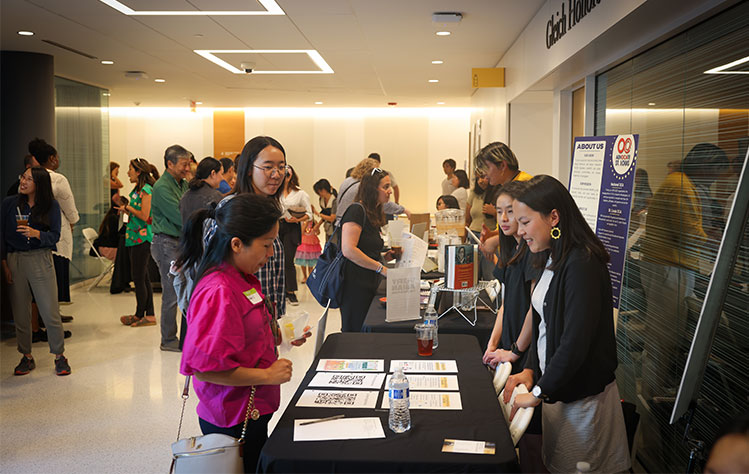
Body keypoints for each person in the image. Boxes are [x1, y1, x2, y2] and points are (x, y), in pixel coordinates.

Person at [505, 175, 630, 473]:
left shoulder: (582, 264)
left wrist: (537, 393)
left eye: (525, 222)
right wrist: (531, 370)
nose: (520, 232)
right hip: (557, 392)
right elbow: (543, 323)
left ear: (554, 217)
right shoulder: (552, 256)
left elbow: (574, 343)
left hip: (583, 401)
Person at [178, 193, 310, 474]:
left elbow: (244, 333)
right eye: (266, 245)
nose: (272, 253)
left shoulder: (242, 279)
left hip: (253, 409)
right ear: (237, 244)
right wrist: (267, 375)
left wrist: (282, 336)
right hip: (233, 416)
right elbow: (205, 369)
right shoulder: (219, 292)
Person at [640, 144, 713, 397]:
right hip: (669, 267)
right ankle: (654, 390)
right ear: (705, 166)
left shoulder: (677, 181)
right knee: (664, 335)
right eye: (715, 170)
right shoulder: (681, 186)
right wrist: (717, 241)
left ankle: (654, 386)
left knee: (660, 333)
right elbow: (689, 233)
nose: (717, 178)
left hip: (663, 264)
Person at [1, 167, 71, 376]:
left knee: (50, 311)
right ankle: (26, 356)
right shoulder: (9, 204)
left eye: (29, 179)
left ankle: (59, 356)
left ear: (39, 184)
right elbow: (2, 235)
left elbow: (55, 236)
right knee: (21, 314)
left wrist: (36, 233)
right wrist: (4, 264)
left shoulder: (51, 206)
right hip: (15, 260)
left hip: (41, 258)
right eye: (23, 176)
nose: (23, 181)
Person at [229, 136, 288, 320]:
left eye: (281, 166)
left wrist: (275, 324)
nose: (276, 174)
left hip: (264, 320)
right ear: (248, 169)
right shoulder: (232, 211)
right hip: (239, 319)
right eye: (268, 167)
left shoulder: (271, 210)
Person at [339, 168, 399, 332]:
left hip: (368, 282)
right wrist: (381, 268)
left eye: (390, 187)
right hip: (355, 285)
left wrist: (385, 257)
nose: (390, 191)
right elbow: (349, 250)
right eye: (385, 187)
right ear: (372, 189)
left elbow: (365, 250)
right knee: (355, 332)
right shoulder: (356, 210)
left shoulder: (373, 212)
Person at [29, 138, 80, 311]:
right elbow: (70, 210)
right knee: (54, 282)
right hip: (57, 236)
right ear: (52, 158)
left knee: (38, 282)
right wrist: (73, 223)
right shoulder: (58, 179)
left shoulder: (29, 176)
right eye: (57, 157)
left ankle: (45, 319)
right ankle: (51, 318)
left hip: (34, 234)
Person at [151, 145, 191, 352]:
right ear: (170, 164)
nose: (188, 168)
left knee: (183, 290)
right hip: (166, 243)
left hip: (179, 242)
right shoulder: (162, 187)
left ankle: (182, 336)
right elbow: (181, 215)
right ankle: (167, 339)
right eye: (184, 164)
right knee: (171, 293)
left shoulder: (181, 183)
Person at [116, 158, 158, 327]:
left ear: (138, 171)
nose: (128, 173)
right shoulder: (137, 189)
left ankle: (139, 314)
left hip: (142, 238)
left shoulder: (147, 190)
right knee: (143, 277)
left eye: (130, 169)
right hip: (134, 237)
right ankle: (150, 315)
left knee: (138, 278)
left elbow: (144, 215)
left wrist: (128, 209)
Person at [336, 159, 407, 226]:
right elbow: (382, 204)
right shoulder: (363, 186)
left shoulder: (347, 181)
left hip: (339, 222)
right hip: (352, 223)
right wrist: (402, 210)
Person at [279, 165, 311, 306]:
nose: (285, 176)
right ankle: (279, 291)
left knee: (288, 260)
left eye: (288, 174)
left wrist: (297, 219)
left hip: (292, 227)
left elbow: (309, 214)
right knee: (276, 261)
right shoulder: (274, 192)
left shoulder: (300, 193)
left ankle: (291, 292)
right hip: (277, 226)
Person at [179, 157, 223, 224]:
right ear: (213, 173)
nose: (222, 178)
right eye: (221, 174)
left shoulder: (185, 196)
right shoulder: (216, 196)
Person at [295, 218, 322, 283]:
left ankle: (310, 276)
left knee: (311, 261)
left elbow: (318, 232)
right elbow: (301, 232)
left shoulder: (314, 221)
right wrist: (306, 223)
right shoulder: (302, 221)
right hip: (304, 243)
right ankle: (305, 276)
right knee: (302, 260)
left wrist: (317, 227)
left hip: (312, 243)